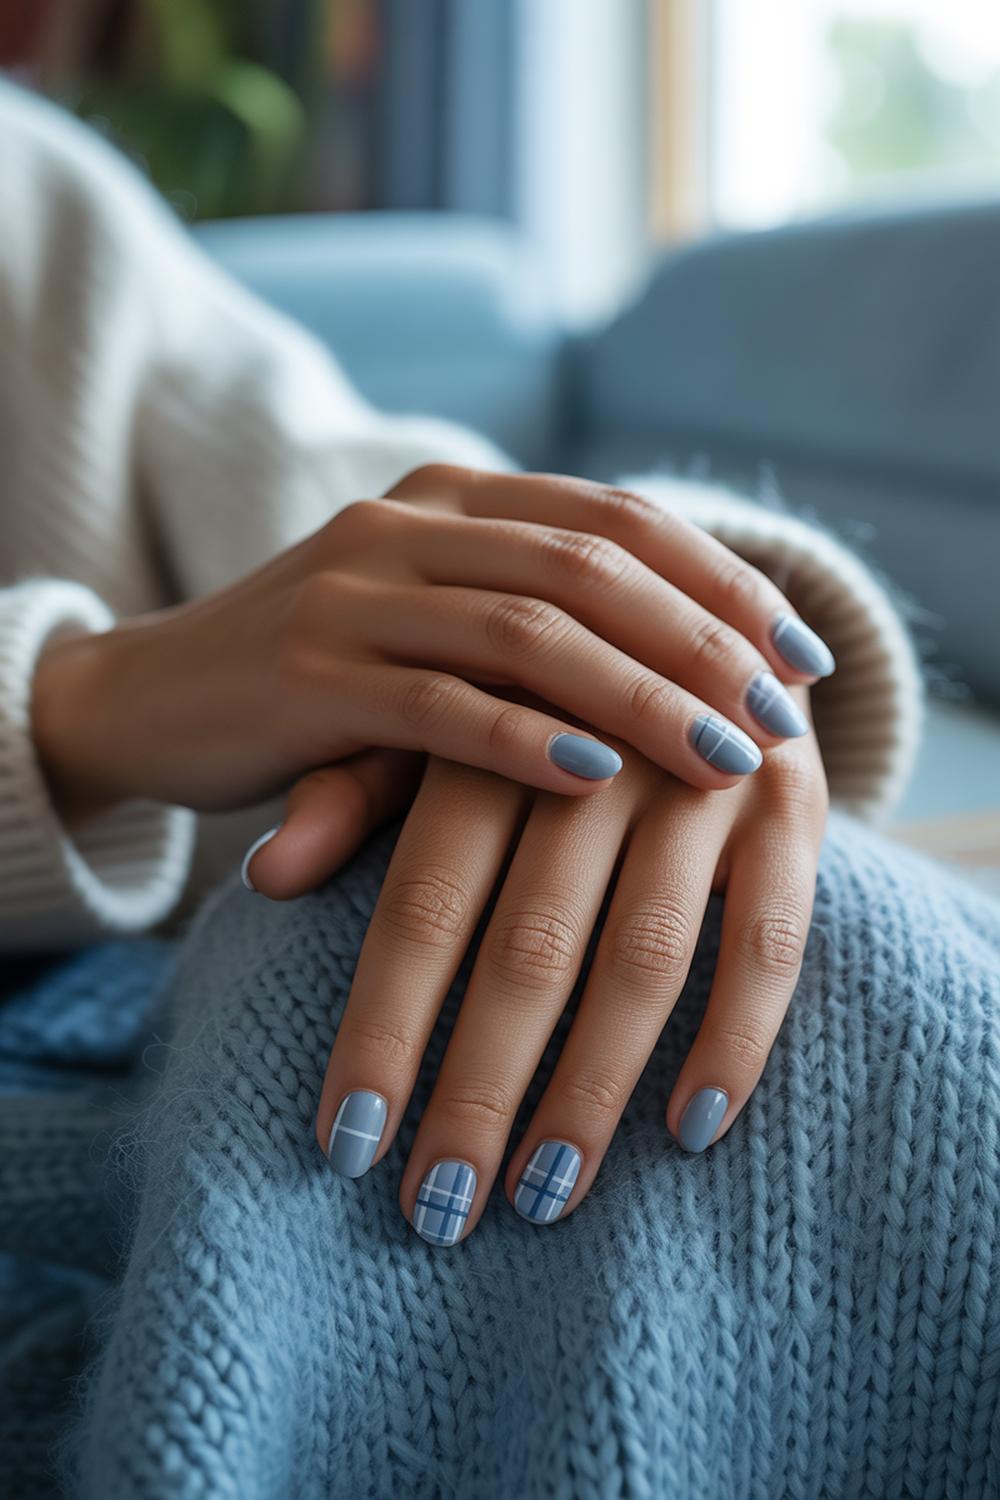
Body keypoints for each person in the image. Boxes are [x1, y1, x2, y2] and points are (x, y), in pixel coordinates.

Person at [4, 76, 996, 1500]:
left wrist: (660, 651)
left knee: (792, 962)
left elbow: (394, 536)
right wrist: (71, 708)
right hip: (158, 1076)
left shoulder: (23, 203)